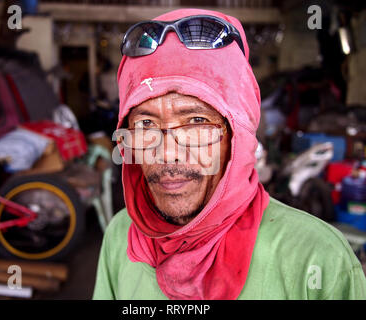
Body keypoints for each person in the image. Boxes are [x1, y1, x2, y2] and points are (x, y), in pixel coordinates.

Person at [92, 8, 366, 300]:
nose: (167, 154)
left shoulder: (318, 258)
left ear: (238, 136)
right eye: (146, 124)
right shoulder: (121, 235)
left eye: (196, 122)